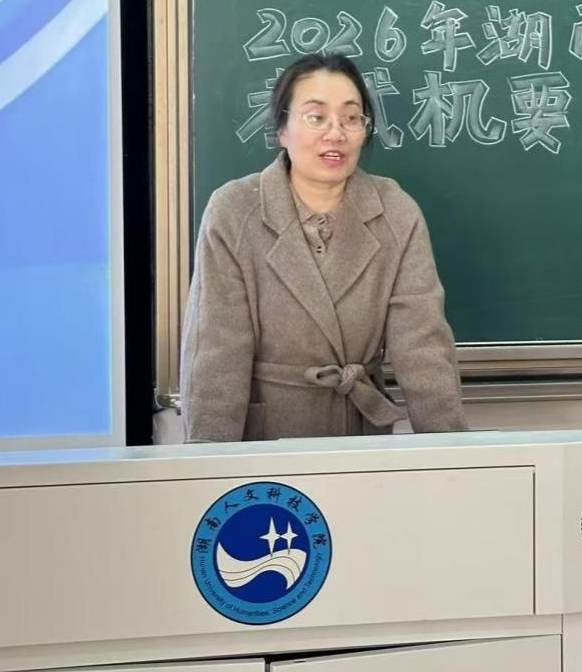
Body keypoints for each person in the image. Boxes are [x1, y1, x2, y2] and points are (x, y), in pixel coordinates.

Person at [180, 53, 468, 441]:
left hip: (359, 436)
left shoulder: (397, 213)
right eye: (316, 117)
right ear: (282, 129)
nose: (336, 133)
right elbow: (216, 354)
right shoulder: (234, 211)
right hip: (265, 441)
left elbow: (423, 348)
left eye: (351, 118)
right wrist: (211, 462)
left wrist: (450, 453)